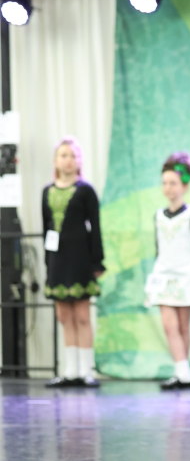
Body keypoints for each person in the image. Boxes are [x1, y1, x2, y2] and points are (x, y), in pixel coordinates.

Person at [42, 137, 105, 388]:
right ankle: (69, 370)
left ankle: (85, 370)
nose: (68, 160)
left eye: (73, 156)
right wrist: (48, 262)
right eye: (63, 155)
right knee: (64, 315)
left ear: (79, 161)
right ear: (55, 161)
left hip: (80, 259)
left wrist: (97, 261)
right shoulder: (47, 191)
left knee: (81, 315)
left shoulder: (85, 191)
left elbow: (95, 228)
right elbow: (46, 228)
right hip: (57, 260)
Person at [145, 152, 190, 390]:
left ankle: (183, 371)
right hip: (164, 274)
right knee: (169, 325)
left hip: (186, 274)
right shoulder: (158, 216)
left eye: (173, 183)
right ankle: (182, 371)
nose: (169, 188)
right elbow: (159, 246)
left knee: (182, 326)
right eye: (165, 183)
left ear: (184, 186)